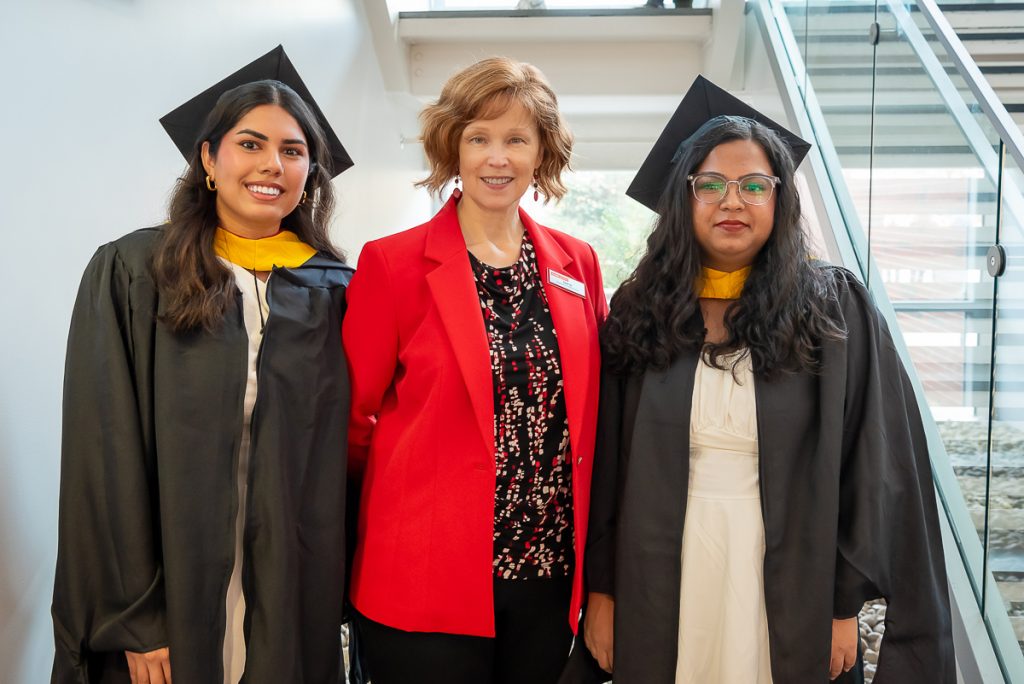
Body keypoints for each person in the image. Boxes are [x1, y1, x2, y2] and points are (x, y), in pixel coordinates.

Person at [581, 76, 954, 683]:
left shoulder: (831, 309)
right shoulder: (639, 308)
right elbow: (606, 465)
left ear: (780, 200)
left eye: (755, 185)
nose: (734, 202)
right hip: (659, 565)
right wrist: (603, 591)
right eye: (712, 185)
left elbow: (872, 460)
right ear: (684, 197)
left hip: (791, 571)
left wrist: (842, 604)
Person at [51, 46, 355, 684]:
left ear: (310, 174)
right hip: (169, 588)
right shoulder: (134, 271)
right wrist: (137, 615)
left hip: (290, 588)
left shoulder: (335, 289)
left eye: (294, 151)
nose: (273, 164)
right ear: (210, 160)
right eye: (251, 143)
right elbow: (104, 450)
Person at [342, 57, 607, 684]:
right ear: (451, 149)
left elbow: (592, 411)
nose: (498, 157)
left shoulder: (580, 263)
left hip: (547, 574)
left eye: (517, 138)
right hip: (423, 577)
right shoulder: (393, 265)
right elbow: (352, 421)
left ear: (541, 152)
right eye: (479, 137)